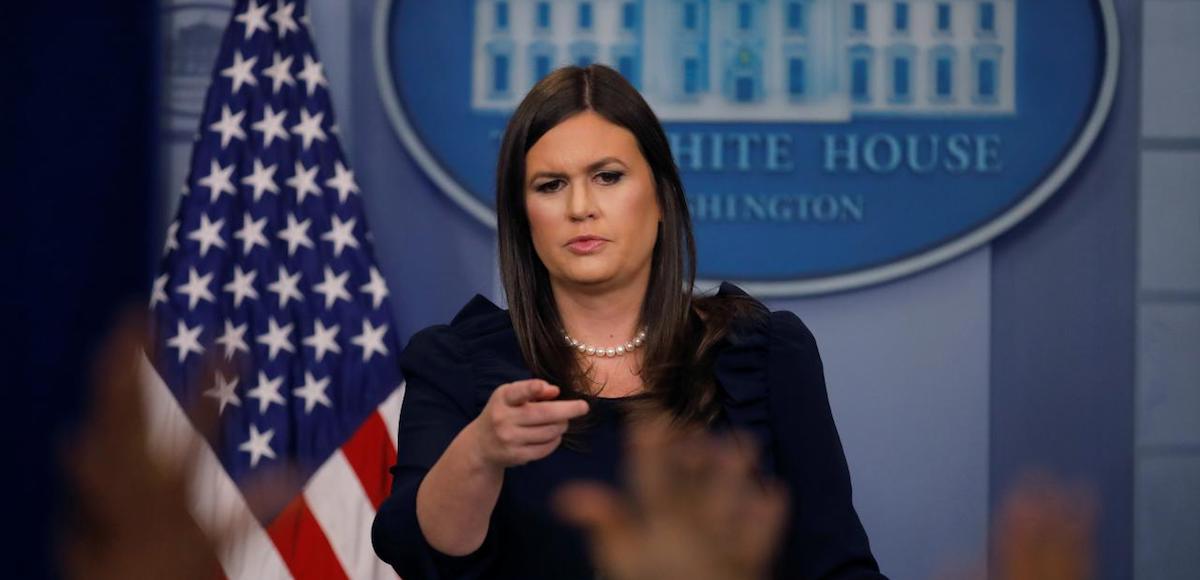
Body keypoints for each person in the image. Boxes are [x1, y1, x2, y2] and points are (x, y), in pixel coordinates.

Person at [371, 64, 886, 579]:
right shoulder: (456, 364)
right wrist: (480, 452)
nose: (580, 207)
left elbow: (836, 565)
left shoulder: (761, 353)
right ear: (524, 217)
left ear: (660, 196)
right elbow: (421, 554)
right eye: (550, 185)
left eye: (607, 177)